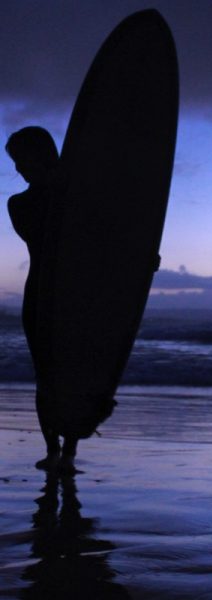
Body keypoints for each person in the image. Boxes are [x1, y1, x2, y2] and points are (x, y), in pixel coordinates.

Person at [6, 126, 78, 474]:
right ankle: (53, 451)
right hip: (41, 294)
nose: (19, 168)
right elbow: (43, 236)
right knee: (45, 375)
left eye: (22, 159)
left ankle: (70, 451)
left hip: (77, 294)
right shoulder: (18, 204)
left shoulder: (77, 196)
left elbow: (105, 236)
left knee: (76, 371)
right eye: (14, 162)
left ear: (42, 154)